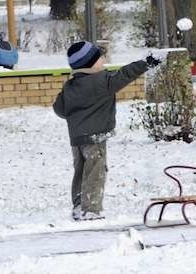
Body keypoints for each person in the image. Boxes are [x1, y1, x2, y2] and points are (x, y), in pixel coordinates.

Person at [53, 41, 161, 220]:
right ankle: (91, 210)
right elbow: (126, 74)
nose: (103, 60)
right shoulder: (103, 81)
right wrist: (146, 63)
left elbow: (59, 108)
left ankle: (79, 205)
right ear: (91, 63)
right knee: (95, 172)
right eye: (99, 58)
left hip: (77, 138)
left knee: (80, 171)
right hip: (96, 137)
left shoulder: (71, 85)